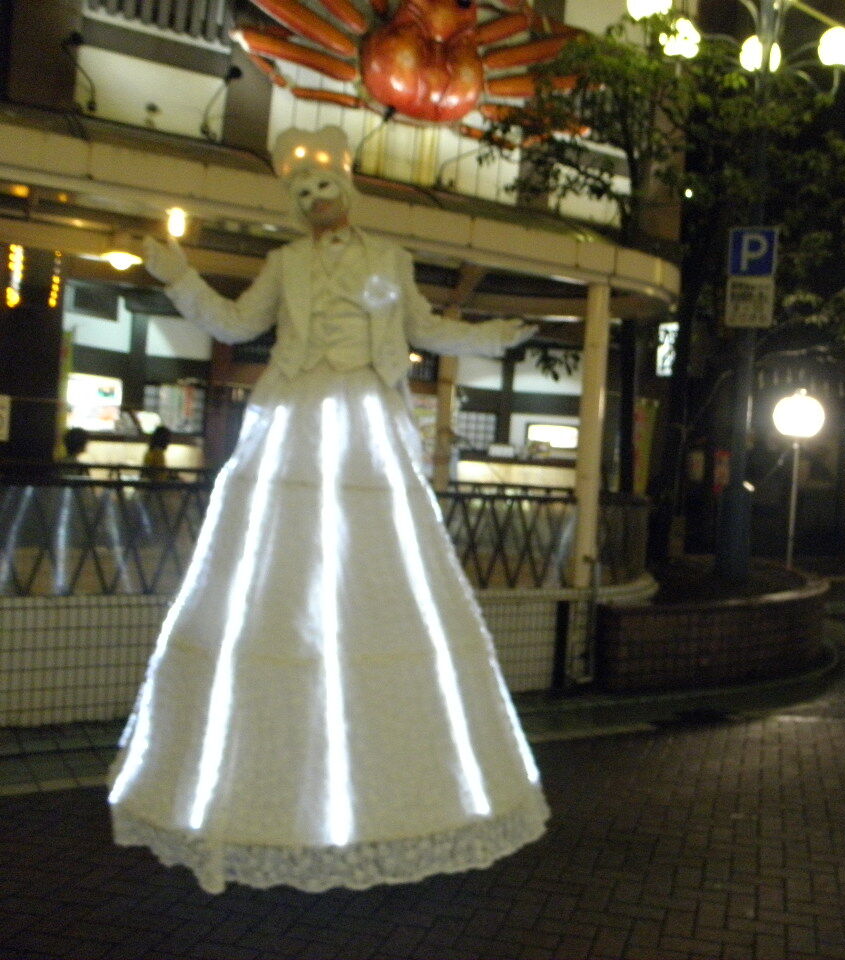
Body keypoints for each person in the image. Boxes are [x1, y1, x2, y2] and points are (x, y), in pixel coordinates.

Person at [108, 126, 545, 894]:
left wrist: (491, 337)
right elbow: (236, 324)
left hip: (369, 421)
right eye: (303, 193)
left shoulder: (390, 260)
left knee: (382, 566)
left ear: (348, 188)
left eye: (325, 188)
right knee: (273, 570)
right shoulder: (284, 264)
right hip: (295, 416)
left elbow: (423, 326)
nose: (316, 202)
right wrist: (179, 276)